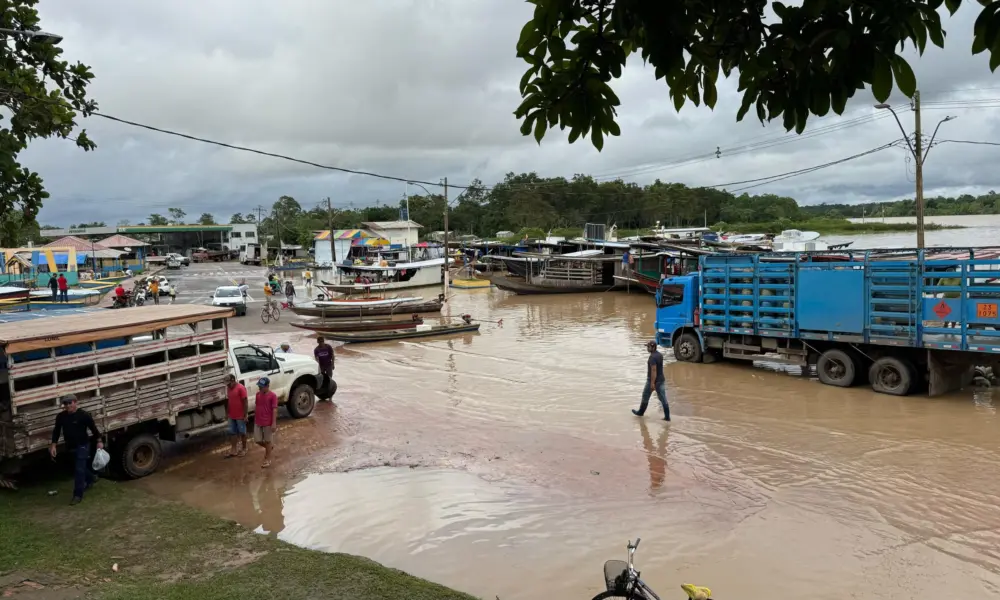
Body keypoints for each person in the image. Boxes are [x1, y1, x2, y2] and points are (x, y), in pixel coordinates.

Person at [50, 395, 103, 505]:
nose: (68, 405)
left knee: (79, 470)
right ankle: (91, 478)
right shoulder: (61, 416)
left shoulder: (84, 415)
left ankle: (77, 495)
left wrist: (99, 441)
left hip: (83, 445)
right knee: (80, 467)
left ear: (75, 403)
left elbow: (94, 429)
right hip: (70, 446)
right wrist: (53, 445)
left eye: (70, 403)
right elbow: (56, 431)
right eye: (65, 404)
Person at [633, 340, 670, 421]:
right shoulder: (659, 355)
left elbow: (654, 370)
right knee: (663, 399)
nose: (647, 348)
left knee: (645, 395)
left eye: (648, 346)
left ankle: (640, 412)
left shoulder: (652, 358)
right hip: (661, 380)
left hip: (652, 380)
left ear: (653, 347)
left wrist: (652, 383)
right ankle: (667, 417)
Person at [253, 377, 278, 468]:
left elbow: (274, 410)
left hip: (268, 422)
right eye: (259, 386)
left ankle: (267, 458)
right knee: (257, 440)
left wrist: (273, 423)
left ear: (267, 386)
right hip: (258, 421)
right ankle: (269, 448)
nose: (259, 388)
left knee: (267, 441)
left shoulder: (273, 396)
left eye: (261, 386)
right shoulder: (257, 395)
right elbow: (257, 406)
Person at [225, 374, 248, 457]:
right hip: (232, 415)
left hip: (240, 415)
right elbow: (229, 401)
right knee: (232, 432)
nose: (228, 385)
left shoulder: (241, 388)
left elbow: (245, 402)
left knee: (242, 432)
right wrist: (228, 413)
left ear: (233, 380)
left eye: (229, 383)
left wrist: (245, 415)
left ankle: (244, 448)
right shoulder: (228, 388)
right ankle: (234, 449)